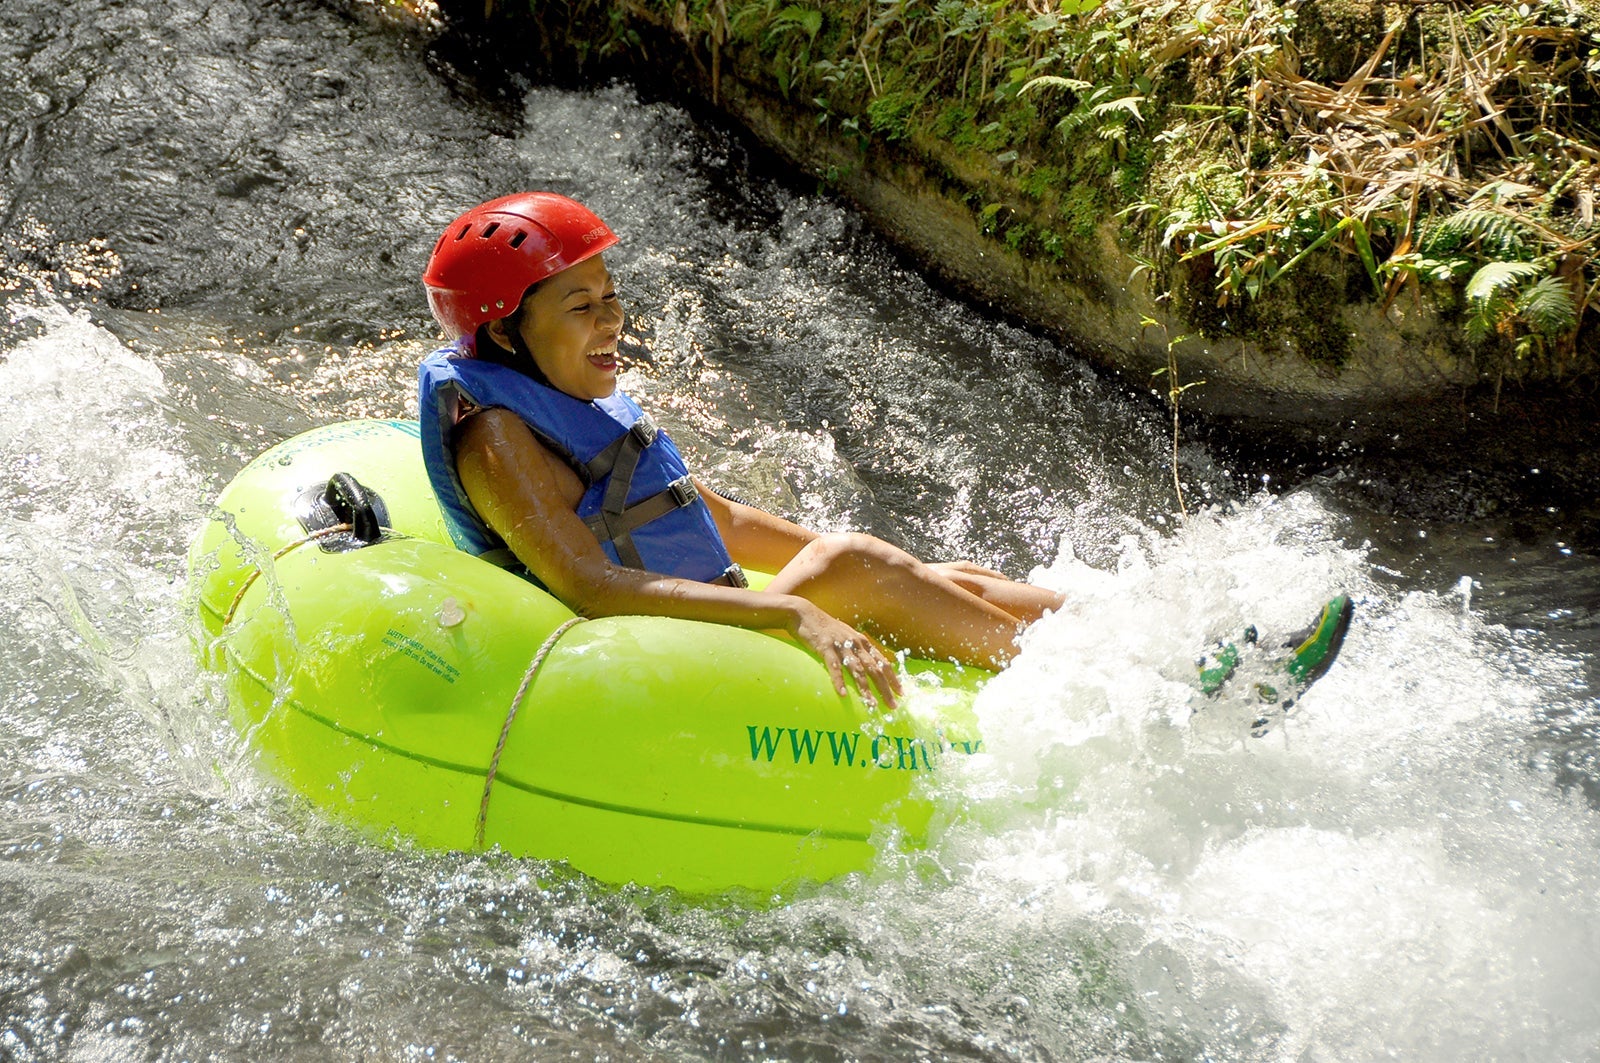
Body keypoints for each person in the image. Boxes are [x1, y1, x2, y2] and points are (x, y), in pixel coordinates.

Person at [418, 192, 1066, 709]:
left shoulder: (563, 402)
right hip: (652, 659)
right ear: (504, 330)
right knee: (855, 563)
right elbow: (588, 586)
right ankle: (1067, 676)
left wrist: (856, 569)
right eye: (581, 306)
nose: (612, 320)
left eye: (611, 296)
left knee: (933, 572)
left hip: (698, 622)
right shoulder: (495, 440)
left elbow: (715, 519)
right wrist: (792, 606)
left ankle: (1101, 635)